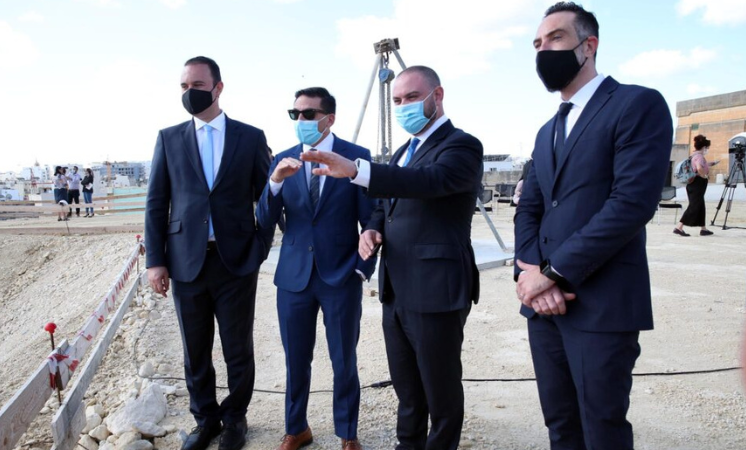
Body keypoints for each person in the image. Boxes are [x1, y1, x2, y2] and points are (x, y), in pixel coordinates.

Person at [513, 3, 673, 449]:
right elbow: (529, 208)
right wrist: (531, 273)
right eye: (537, 44)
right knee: (561, 425)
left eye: (556, 38)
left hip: (601, 304)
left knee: (602, 429)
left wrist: (552, 274)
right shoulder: (547, 130)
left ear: (589, 46)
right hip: (543, 308)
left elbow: (631, 204)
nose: (544, 51)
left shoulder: (636, 105)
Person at [301, 66, 483, 450]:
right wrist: (371, 229)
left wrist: (357, 170)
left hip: (436, 290)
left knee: (441, 391)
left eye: (412, 97)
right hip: (396, 289)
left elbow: (427, 182)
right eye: (397, 100)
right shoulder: (403, 151)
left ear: (437, 95)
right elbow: (386, 206)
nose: (403, 107)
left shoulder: (461, 146)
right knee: (407, 387)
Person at [144, 56, 272, 450]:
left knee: (237, 349)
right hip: (186, 262)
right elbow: (156, 202)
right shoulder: (169, 138)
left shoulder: (250, 137)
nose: (189, 93)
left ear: (218, 88)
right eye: (184, 87)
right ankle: (205, 420)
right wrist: (155, 260)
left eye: (197, 85)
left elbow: (267, 197)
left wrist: (261, 246)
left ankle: (235, 420)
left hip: (236, 261)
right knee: (195, 349)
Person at [256, 87, 377, 450]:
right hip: (293, 278)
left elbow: (372, 217)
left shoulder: (356, 157)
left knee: (344, 359)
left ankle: (348, 433)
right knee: (296, 359)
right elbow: (264, 219)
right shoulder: (283, 159)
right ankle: (297, 428)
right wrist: (275, 182)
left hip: (341, 276)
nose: (301, 120)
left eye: (308, 114)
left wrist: (361, 269)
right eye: (295, 114)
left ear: (329, 118)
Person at [674, 134, 720, 237]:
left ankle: (703, 229)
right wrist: (705, 176)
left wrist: (712, 163)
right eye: (707, 148)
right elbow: (699, 168)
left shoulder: (693, 156)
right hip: (698, 183)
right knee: (694, 205)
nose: (707, 149)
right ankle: (679, 227)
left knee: (700, 205)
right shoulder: (699, 157)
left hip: (693, 183)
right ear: (704, 147)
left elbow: (700, 166)